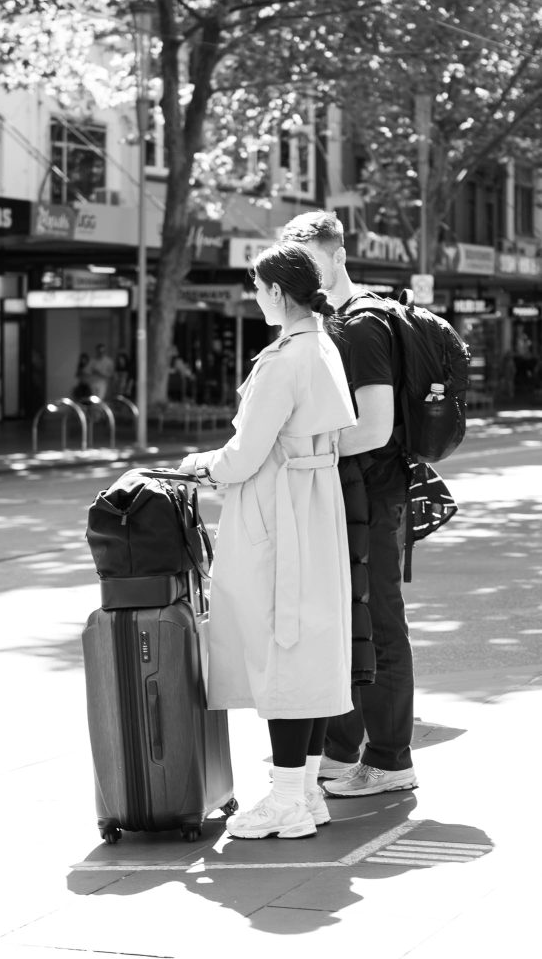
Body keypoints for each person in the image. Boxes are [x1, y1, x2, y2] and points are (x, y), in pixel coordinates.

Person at [178, 241, 356, 839]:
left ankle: (285, 801)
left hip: (279, 508)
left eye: (257, 290)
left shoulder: (284, 359)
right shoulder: (323, 345)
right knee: (306, 644)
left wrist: (202, 464)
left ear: (278, 291)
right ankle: (303, 792)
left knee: (279, 646)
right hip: (314, 503)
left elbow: (246, 452)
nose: (255, 301)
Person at [280, 210, 419, 797]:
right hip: (349, 493)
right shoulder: (331, 320)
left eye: (309, 263)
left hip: (374, 492)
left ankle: (390, 759)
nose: (300, 278)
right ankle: (343, 751)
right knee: (347, 622)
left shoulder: (359, 326)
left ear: (338, 256)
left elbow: (376, 426)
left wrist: (305, 446)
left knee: (379, 623)